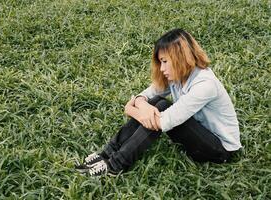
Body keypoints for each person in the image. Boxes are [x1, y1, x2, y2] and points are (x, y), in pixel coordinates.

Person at [75, 28, 242, 176]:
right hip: (198, 134)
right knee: (156, 101)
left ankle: (114, 166)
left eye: (165, 61)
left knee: (160, 107)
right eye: (160, 62)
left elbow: (164, 122)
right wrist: (141, 102)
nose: (162, 69)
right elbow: (146, 94)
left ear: (180, 58)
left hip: (219, 149)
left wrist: (132, 109)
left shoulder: (205, 84)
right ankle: (106, 154)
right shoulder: (179, 75)